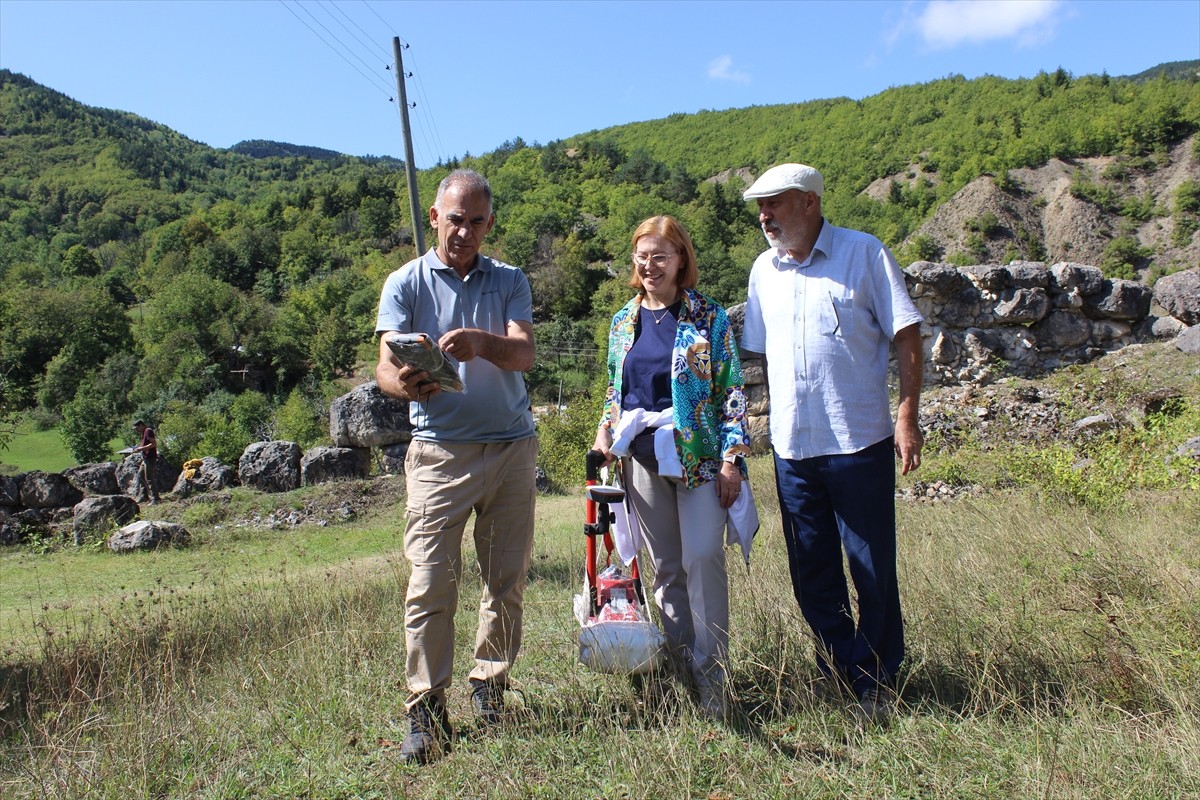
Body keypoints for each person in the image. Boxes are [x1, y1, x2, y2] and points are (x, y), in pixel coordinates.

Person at [739, 163, 924, 724]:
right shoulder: (763, 271)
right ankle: (850, 670)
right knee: (811, 573)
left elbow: (907, 334)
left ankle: (877, 681)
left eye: (774, 203)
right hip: (793, 449)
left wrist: (908, 415)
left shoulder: (864, 253)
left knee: (871, 568)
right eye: (760, 207)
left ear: (810, 202)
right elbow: (758, 355)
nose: (764, 216)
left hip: (859, 441)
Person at [375, 169, 538, 764]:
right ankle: (425, 710)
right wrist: (405, 384)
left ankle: (491, 687)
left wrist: (482, 343)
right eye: (454, 219)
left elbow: (524, 352)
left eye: (475, 221)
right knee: (429, 583)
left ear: (489, 224)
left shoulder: (511, 280)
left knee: (506, 580)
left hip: (511, 449)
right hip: (439, 452)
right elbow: (384, 367)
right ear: (434, 218)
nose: (463, 231)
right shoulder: (405, 282)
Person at [591, 215, 751, 721]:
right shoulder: (623, 321)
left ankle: (713, 678)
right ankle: (682, 667)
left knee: (703, 557)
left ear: (681, 260)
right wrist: (604, 432)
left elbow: (731, 391)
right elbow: (616, 390)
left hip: (699, 458)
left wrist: (732, 460)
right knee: (665, 568)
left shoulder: (708, 317)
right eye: (642, 256)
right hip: (641, 459)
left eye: (660, 256)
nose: (650, 266)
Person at [130, 419, 160, 504]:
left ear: (141, 425)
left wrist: (141, 449)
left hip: (150, 458)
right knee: (140, 476)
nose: (136, 430)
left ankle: (155, 498)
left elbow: (153, 444)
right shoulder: (143, 433)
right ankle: (144, 496)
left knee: (149, 478)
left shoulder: (148, 431)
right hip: (145, 458)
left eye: (137, 428)